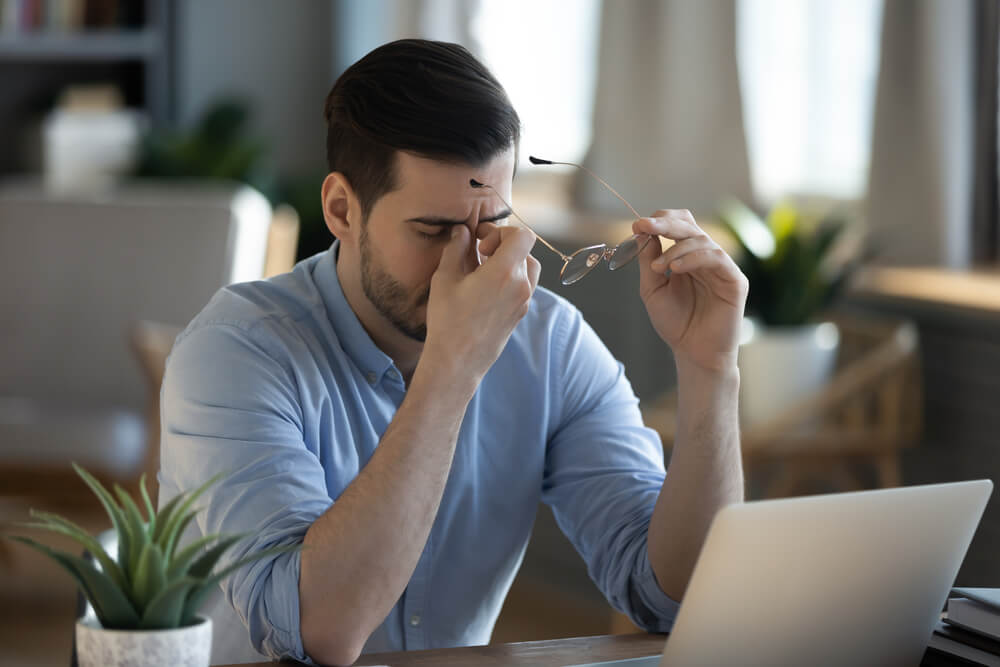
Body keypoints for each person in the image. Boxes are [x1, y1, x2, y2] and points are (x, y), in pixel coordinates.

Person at [158, 38, 747, 666]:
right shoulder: (234, 352)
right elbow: (318, 632)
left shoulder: (550, 342)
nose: (467, 262)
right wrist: (452, 365)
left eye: (490, 224)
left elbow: (675, 598)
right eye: (434, 230)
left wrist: (709, 369)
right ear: (340, 209)